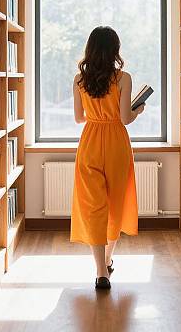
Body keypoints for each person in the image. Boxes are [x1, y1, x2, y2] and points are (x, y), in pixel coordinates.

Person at [70, 26, 144, 290]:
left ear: (90, 49)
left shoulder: (80, 80)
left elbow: (79, 118)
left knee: (94, 208)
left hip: (90, 141)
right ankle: (108, 260)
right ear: (115, 50)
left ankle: (102, 270)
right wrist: (139, 110)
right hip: (116, 144)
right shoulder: (123, 78)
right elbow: (125, 118)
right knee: (115, 205)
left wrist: (95, 112)